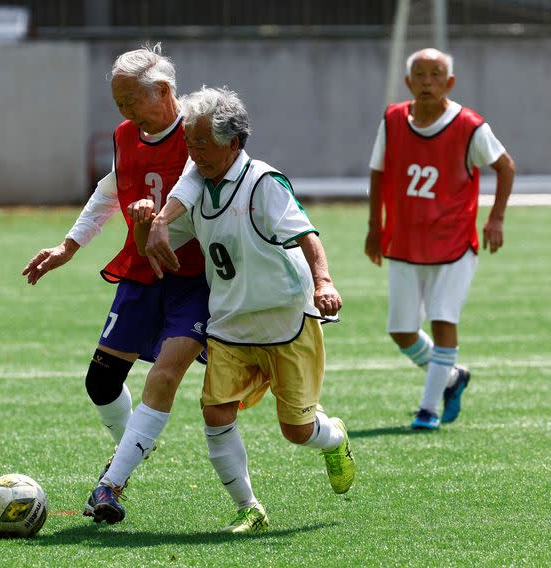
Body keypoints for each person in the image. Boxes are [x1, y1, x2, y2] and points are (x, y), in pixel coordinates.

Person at [137, 86, 356, 533]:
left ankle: (333, 437)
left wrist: (324, 281)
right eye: (189, 143)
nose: (192, 152)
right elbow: (156, 250)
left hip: (286, 322)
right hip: (230, 326)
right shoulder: (195, 188)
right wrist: (147, 227)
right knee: (216, 411)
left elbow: (307, 236)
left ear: (232, 142)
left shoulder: (264, 182)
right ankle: (249, 507)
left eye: (201, 143)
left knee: (296, 431)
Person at [20, 44, 210, 524]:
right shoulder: (127, 134)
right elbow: (112, 189)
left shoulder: (200, 132)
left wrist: (164, 225)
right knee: (101, 382)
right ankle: (133, 450)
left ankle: (114, 479)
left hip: (197, 279)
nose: (124, 112)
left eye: (130, 101)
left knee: (167, 378)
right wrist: (69, 245)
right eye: (118, 102)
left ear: (164, 91)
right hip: (142, 272)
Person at [364, 48, 515, 430]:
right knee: (400, 331)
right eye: (420, 74)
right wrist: (374, 226)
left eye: (436, 75)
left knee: (443, 319)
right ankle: (451, 376)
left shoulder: (469, 125)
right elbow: (378, 173)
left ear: (449, 83)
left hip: (454, 245)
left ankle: (428, 409)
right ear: (408, 82)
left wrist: (496, 218)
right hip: (404, 243)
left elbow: (505, 165)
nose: (427, 81)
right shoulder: (393, 119)